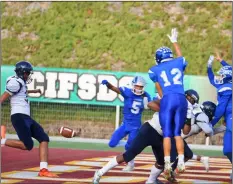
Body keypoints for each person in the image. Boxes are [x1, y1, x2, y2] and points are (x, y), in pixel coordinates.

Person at [92, 89, 208, 184]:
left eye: (192, 101)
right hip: (150, 129)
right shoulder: (171, 100)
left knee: (162, 162)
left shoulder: (187, 112)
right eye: (189, 98)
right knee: (128, 155)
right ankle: (99, 173)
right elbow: (150, 104)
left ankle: (151, 181)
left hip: (162, 137)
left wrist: (188, 117)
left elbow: (186, 131)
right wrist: (166, 111)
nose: (190, 101)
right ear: (184, 96)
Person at [0, 61, 57, 177]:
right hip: (19, 117)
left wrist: (34, 91)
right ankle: (1, 141)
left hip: (26, 117)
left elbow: (21, 91)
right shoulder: (15, 82)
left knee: (44, 138)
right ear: (22, 73)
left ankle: (43, 170)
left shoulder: (19, 82)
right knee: (27, 145)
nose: (28, 75)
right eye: (27, 73)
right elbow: (3, 97)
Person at [148, 28, 188, 179]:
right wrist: (175, 42)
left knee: (167, 135)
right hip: (181, 98)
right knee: (178, 133)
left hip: (168, 99)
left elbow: (159, 89)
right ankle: (182, 161)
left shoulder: (154, 70)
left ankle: (166, 164)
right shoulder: (178, 62)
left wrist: (163, 99)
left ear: (158, 58)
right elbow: (181, 57)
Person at [101, 76, 151, 171]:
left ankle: (131, 164)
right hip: (125, 124)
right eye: (137, 86)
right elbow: (114, 89)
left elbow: (151, 106)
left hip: (135, 127)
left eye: (141, 87)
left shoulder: (146, 96)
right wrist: (108, 84)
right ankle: (127, 145)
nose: (138, 88)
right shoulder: (127, 92)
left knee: (129, 147)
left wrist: (149, 104)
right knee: (112, 144)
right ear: (133, 85)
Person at [207, 54, 232, 166]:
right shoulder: (226, 84)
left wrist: (211, 124)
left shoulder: (226, 88)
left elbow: (221, 109)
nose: (219, 77)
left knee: (228, 148)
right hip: (229, 121)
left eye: (221, 75)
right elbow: (212, 78)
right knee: (227, 150)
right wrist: (209, 66)